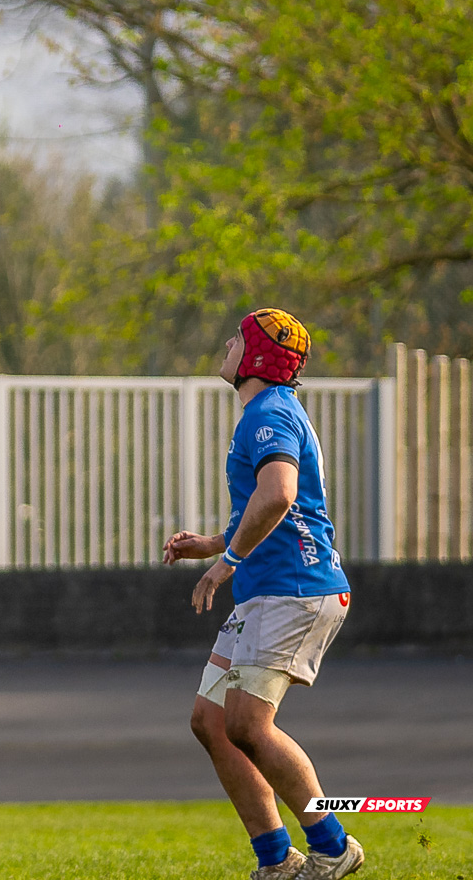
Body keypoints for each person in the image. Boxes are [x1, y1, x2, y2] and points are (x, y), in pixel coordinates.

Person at [164, 310, 360, 880]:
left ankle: (333, 844)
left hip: (293, 592)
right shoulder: (268, 412)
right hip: (267, 592)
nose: (227, 342)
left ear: (254, 357)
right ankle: (276, 859)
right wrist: (214, 543)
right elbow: (276, 509)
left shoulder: (269, 412)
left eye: (237, 337)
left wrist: (226, 563)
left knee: (248, 726)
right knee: (210, 721)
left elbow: (278, 494)